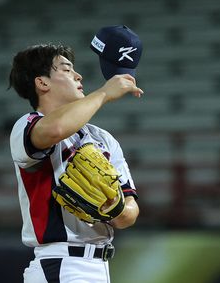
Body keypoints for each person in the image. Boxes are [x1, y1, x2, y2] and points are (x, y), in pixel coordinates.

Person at [8, 34, 143, 282]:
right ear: (42, 83)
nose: (78, 76)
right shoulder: (26, 126)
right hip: (61, 263)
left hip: (98, 266)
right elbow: (56, 130)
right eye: (67, 69)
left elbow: (130, 211)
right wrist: (103, 94)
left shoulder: (102, 138)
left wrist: (117, 209)